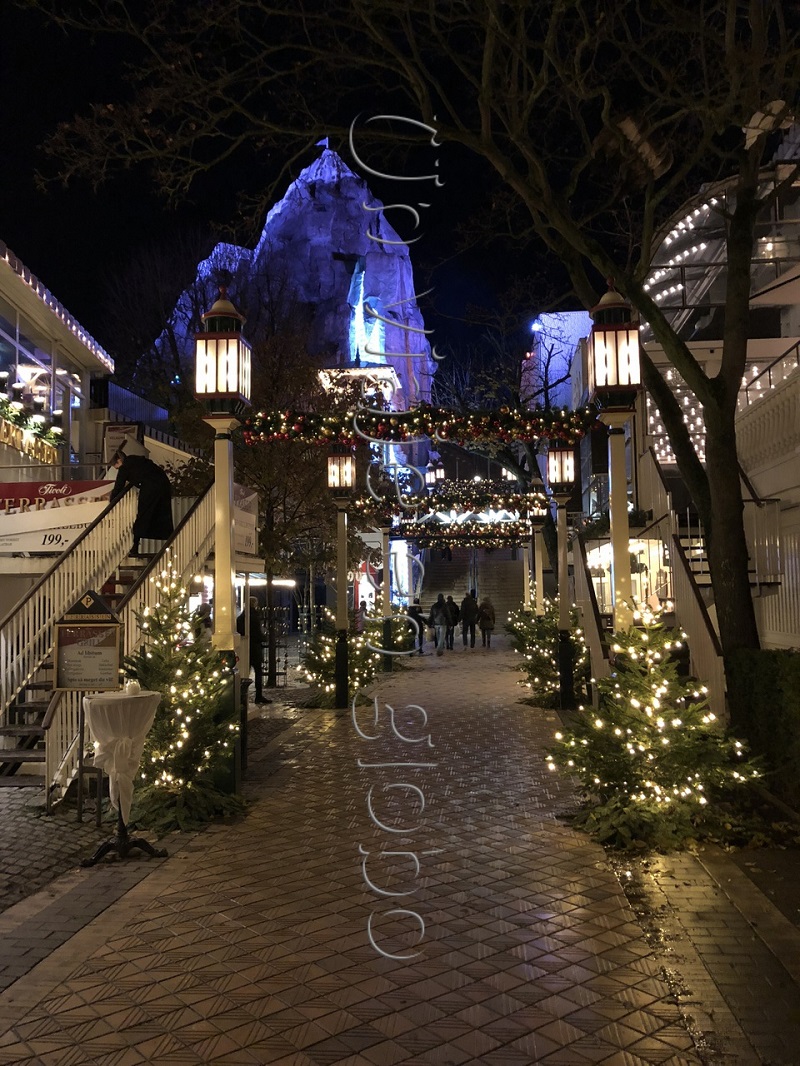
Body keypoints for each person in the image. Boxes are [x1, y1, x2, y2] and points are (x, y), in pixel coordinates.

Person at [110, 449, 174, 557]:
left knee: (143, 514)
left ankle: (135, 546)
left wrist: (111, 502)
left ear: (119, 460)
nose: (117, 469)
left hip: (150, 487)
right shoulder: (137, 461)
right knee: (162, 513)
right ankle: (171, 540)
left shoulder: (125, 467)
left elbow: (118, 487)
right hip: (163, 484)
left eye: (116, 465)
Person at [237, 596, 269, 704]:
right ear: (254, 604)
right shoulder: (254, 616)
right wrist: (264, 638)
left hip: (246, 647)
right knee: (258, 672)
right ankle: (258, 695)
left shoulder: (242, 616)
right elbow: (257, 633)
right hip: (255, 647)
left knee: (246, 671)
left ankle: (242, 695)